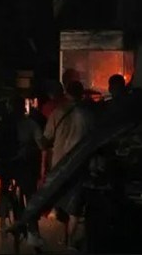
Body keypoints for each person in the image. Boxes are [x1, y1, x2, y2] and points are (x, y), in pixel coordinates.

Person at [0, 95, 44, 247]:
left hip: (3, 164)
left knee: (5, 185)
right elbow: (41, 144)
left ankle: (3, 213)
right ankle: (33, 232)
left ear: (9, 107)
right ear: (24, 107)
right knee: (30, 194)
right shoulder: (30, 123)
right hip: (23, 165)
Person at [41, 80, 95, 248]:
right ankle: (70, 240)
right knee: (75, 205)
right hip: (79, 163)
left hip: (59, 164)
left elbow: (46, 139)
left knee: (61, 198)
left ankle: (63, 230)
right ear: (81, 94)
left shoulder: (57, 113)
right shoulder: (88, 115)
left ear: (66, 93)